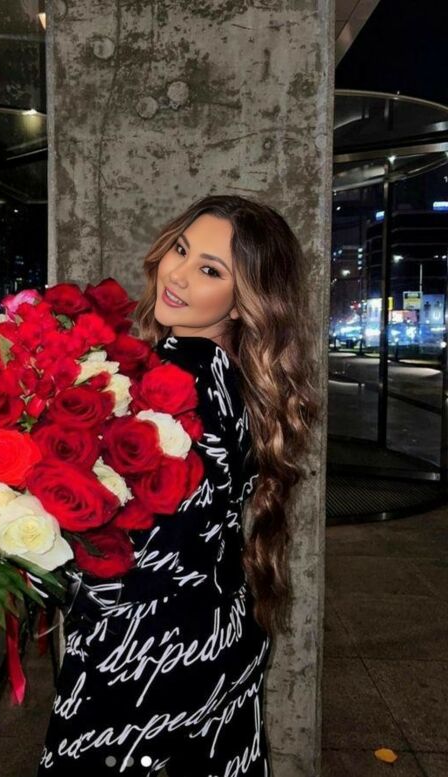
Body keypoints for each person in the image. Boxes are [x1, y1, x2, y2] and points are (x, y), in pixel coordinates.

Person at [36, 194, 320, 776]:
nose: (179, 275)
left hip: (145, 657)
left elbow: (151, 538)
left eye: (210, 271)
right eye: (182, 250)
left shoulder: (175, 376)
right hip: (218, 631)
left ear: (245, 301)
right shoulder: (236, 373)